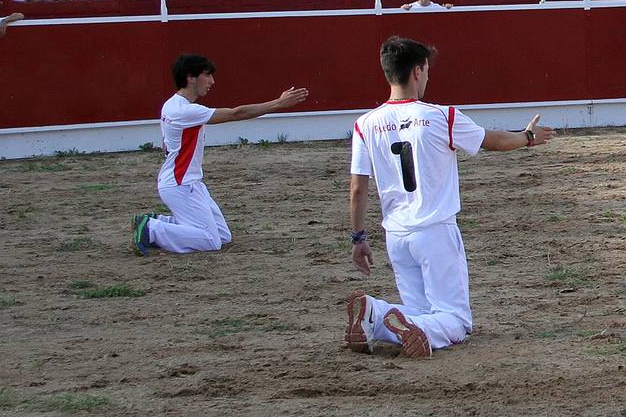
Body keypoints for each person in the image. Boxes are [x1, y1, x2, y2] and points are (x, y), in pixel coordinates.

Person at [345, 37, 555, 357]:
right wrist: (527, 138)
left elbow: (358, 187)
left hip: (397, 235)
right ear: (417, 71)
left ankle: (374, 314)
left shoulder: (365, 124)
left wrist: (358, 236)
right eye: (426, 70)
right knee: (455, 321)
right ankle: (388, 320)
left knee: (419, 311)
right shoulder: (441, 116)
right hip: (435, 230)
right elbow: (493, 140)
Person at [132, 55, 309, 256]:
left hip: (186, 182)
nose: (212, 82)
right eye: (207, 75)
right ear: (191, 77)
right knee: (210, 241)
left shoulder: (171, 105)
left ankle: (160, 222)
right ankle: (151, 229)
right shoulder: (186, 111)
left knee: (223, 236)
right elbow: (236, 113)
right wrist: (277, 103)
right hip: (182, 184)